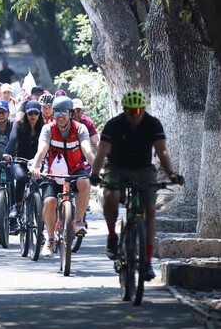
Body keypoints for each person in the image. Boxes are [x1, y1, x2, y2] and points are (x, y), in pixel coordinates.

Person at [89, 91, 183, 280]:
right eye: (130, 111)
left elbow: (162, 151)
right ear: (124, 110)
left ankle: (147, 262)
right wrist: (94, 174)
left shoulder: (152, 123)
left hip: (143, 169)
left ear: (143, 110)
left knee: (149, 209)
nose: (135, 115)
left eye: (138, 110)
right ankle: (112, 236)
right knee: (110, 196)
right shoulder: (114, 124)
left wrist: (172, 174)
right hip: (116, 167)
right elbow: (101, 152)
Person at [29, 96, 95, 257]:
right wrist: (36, 167)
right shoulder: (47, 129)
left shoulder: (80, 129)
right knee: (50, 202)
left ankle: (78, 221)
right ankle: (50, 239)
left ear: (70, 113)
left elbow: (87, 150)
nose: (60, 115)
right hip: (54, 173)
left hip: (75, 169)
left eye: (64, 111)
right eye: (57, 111)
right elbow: (42, 149)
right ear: (52, 113)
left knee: (85, 182)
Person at [3, 100, 45, 234]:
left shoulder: (44, 128)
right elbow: (12, 140)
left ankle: (40, 230)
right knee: (21, 178)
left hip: (37, 163)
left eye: (36, 113)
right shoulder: (19, 126)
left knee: (44, 185)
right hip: (20, 161)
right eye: (30, 113)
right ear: (26, 114)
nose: (33, 116)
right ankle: (17, 206)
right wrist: (7, 153)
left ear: (39, 114)